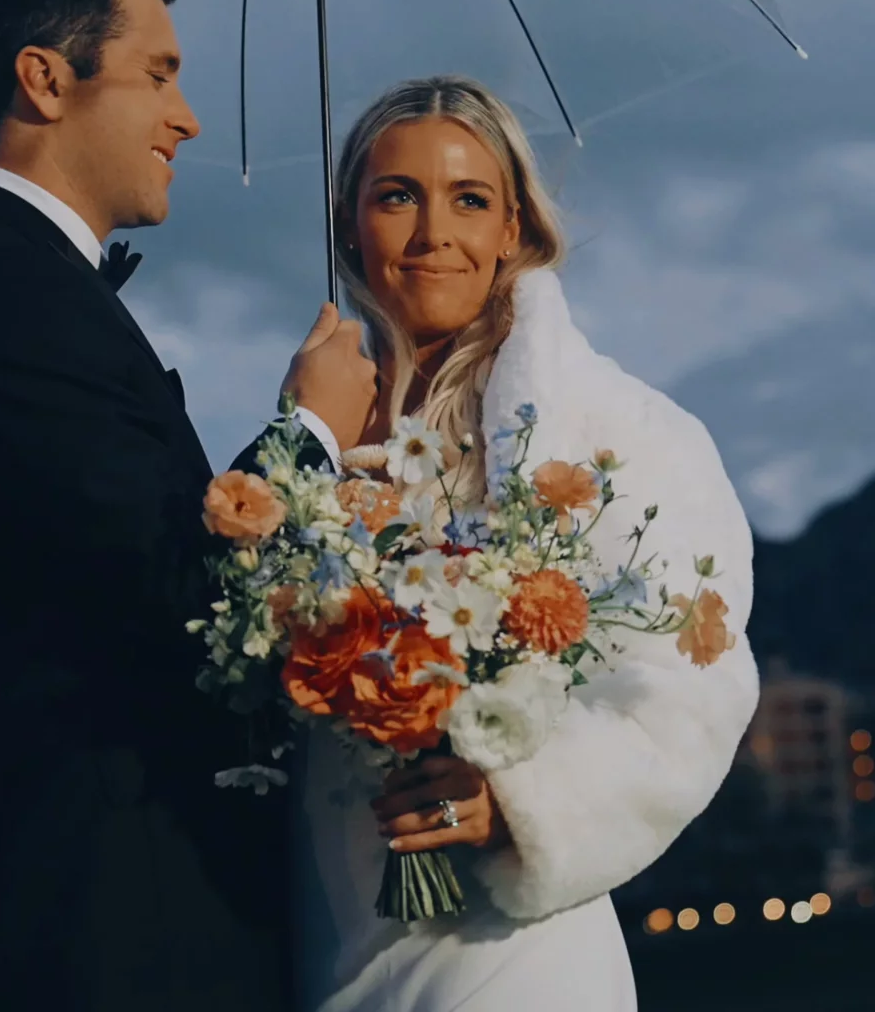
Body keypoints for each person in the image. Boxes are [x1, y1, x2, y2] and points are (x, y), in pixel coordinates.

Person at [259, 75, 761, 1011]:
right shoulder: (315, 445)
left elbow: (693, 689)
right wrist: (303, 451)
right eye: (395, 196)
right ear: (349, 227)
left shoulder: (618, 432)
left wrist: (520, 801)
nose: (432, 233)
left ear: (515, 231)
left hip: (510, 952)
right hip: (329, 942)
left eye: (470, 200)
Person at [0, 0, 289, 1010]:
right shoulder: (7, 292)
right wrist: (310, 435)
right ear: (44, 79)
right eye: (158, 74)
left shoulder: (21, 282)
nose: (186, 116)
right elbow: (169, 589)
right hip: (84, 921)